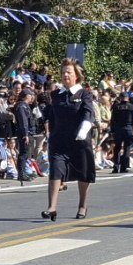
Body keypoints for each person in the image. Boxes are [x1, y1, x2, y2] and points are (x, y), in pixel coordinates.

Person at [41, 58, 97, 221]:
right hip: (59, 140)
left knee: (83, 174)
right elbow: (51, 116)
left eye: (69, 72)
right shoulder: (55, 95)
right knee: (55, 172)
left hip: (80, 141)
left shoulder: (84, 93)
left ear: (76, 76)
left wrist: (84, 129)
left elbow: (88, 113)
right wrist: (45, 129)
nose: (65, 74)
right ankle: (52, 207)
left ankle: (82, 206)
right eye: (63, 72)